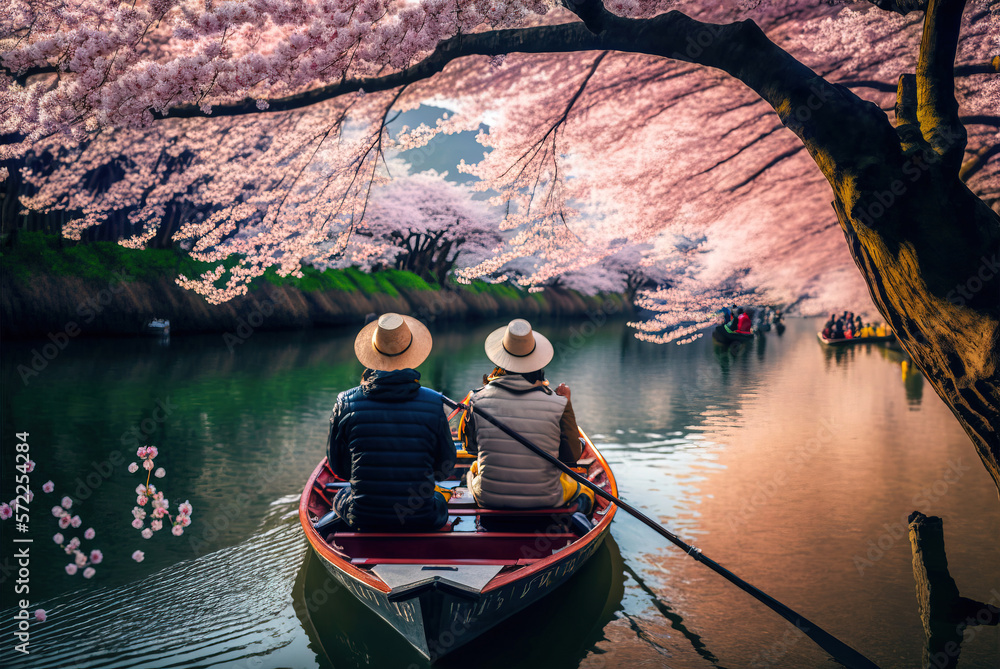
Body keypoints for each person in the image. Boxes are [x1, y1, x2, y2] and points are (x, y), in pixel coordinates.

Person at [326, 313, 455, 531]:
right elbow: (444, 468)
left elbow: (339, 467)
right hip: (421, 517)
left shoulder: (345, 401)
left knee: (341, 496)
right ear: (412, 352)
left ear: (373, 352)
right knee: (439, 500)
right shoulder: (434, 402)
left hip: (363, 517)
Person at [460, 319, 594, 511]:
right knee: (583, 488)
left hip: (490, 498)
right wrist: (567, 404)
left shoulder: (475, 399)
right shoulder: (557, 402)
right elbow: (570, 457)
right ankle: (579, 511)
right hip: (545, 498)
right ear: (537, 362)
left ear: (500, 360)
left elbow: (471, 447)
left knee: (473, 470)